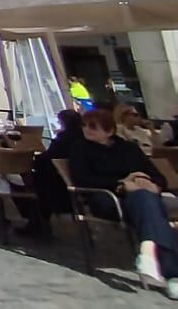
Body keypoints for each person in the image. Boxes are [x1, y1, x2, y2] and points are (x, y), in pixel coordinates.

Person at [71, 109, 178, 297]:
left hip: (141, 198)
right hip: (106, 199)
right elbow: (83, 180)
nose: (87, 130)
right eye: (85, 126)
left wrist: (154, 185)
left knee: (145, 199)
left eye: (93, 127)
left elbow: (158, 177)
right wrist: (122, 184)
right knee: (152, 208)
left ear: (109, 130)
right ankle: (172, 276)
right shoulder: (80, 150)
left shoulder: (129, 149)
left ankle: (148, 251)